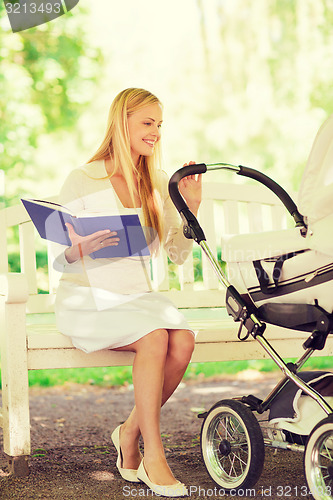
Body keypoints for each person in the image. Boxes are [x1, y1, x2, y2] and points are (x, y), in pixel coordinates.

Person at [53, 88, 202, 497]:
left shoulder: (156, 182)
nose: (156, 133)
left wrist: (190, 208)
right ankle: (151, 454)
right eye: (147, 123)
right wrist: (76, 250)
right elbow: (59, 260)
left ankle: (128, 432)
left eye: (159, 124)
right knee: (155, 337)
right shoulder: (82, 178)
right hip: (86, 297)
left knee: (183, 340)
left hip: (136, 297)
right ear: (123, 122)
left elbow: (176, 254)